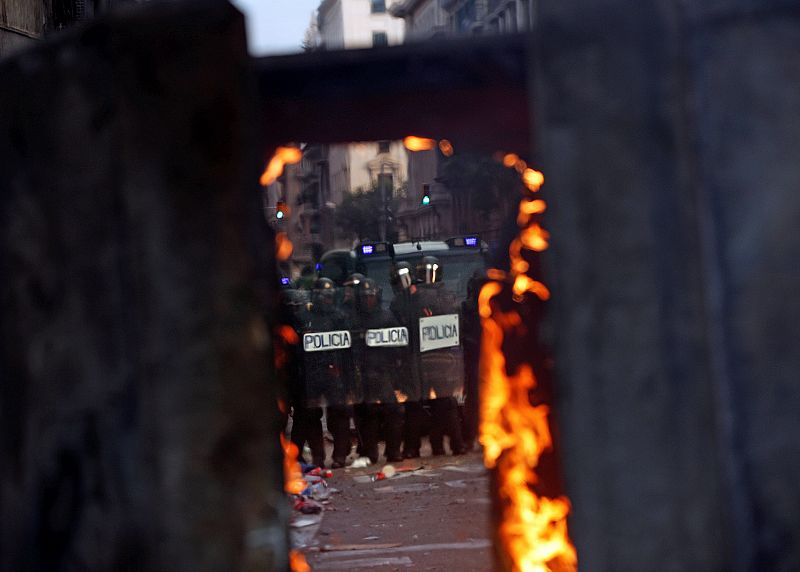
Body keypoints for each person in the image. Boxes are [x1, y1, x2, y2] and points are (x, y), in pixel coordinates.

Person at [300, 277, 355, 468]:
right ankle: (318, 457)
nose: (326, 300)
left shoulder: (339, 318)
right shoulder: (306, 318)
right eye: (323, 296)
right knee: (312, 415)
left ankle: (339, 455)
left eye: (329, 296)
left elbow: (348, 352)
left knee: (339, 414)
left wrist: (348, 379)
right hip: (313, 373)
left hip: (334, 372)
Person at [413, 256, 465, 456]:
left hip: (426, 360)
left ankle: (441, 444)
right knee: (445, 404)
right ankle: (453, 444)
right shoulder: (448, 296)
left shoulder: (416, 297)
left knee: (440, 405)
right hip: (442, 360)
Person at [353, 278, 404, 463]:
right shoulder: (354, 319)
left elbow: (399, 343)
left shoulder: (387, 317)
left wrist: (396, 364)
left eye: (371, 296)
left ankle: (393, 451)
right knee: (368, 414)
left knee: (394, 412)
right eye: (365, 297)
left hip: (385, 373)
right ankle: (370, 452)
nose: (368, 300)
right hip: (363, 374)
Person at [390, 261, 427, 459]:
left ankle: (413, 446)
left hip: (419, 358)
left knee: (414, 406)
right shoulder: (399, 303)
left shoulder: (412, 300)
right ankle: (412, 446)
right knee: (413, 406)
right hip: (409, 359)